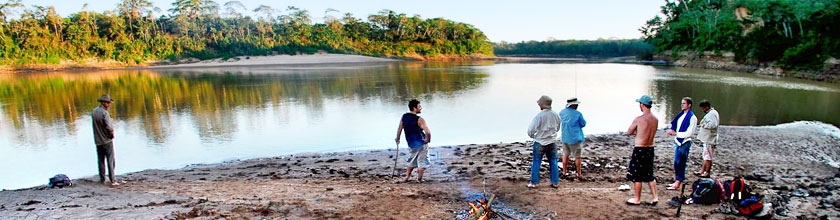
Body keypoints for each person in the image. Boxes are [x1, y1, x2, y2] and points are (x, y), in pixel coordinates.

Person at [625, 95, 659, 205]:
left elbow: (629, 131)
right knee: (649, 173)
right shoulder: (655, 119)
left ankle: (637, 199)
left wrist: (638, 132)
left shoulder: (639, 119)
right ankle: (655, 197)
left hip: (640, 148)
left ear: (642, 105)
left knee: (637, 174)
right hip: (650, 148)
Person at [526, 95, 562, 188]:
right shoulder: (556, 114)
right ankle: (555, 182)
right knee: (553, 161)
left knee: (536, 161)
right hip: (552, 141)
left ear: (542, 105)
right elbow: (558, 128)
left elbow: (530, 130)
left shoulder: (539, 116)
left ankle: (534, 183)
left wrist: (533, 136)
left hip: (540, 142)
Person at [395, 99, 432, 183]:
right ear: (414, 108)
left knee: (412, 160)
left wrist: (398, 138)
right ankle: (419, 179)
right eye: (419, 107)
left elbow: (400, 128)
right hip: (421, 143)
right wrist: (427, 139)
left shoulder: (404, 117)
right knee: (422, 162)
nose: (421, 108)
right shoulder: (419, 119)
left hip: (411, 143)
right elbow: (428, 132)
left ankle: (407, 177)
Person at [666, 97, 698, 190]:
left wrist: (676, 134)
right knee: (676, 162)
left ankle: (678, 182)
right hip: (678, 141)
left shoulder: (692, 117)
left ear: (689, 105)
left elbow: (690, 133)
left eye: (684, 103)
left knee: (681, 162)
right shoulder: (680, 115)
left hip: (685, 142)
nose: (682, 105)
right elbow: (676, 125)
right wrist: (672, 130)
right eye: (682, 103)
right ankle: (677, 180)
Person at [92, 94, 118, 187]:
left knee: (101, 160)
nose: (109, 104)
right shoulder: (105, 113)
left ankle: (102, 179)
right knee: (110, 160)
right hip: (106, 141)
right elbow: (109, 127)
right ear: (103, 103)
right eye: (108, 102)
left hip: (98, 141)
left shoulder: (94, 111)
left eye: (109, 102)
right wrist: (111, 135)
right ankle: (113, 180)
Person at [559, 97, 586, 178]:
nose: (577, 106)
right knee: (577, 156)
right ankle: (579, 173)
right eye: (576, 104)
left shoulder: (562, 112)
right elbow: (583, 124)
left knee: (565, 154)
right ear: (573, 105)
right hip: (575, 138)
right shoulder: (578, 114)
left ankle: (564, 171)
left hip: (565, 137)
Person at [695, 100, 719, 178]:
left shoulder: (712, 114)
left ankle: (707, 172)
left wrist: (703, 124)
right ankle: (702, 170)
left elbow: (713, 125)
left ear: (707, 107)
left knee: (708, 157)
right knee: (705, 156)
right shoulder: (712, 113)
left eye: (703, 108)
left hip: (710, 139)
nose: (702, 110)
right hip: (707, 139)